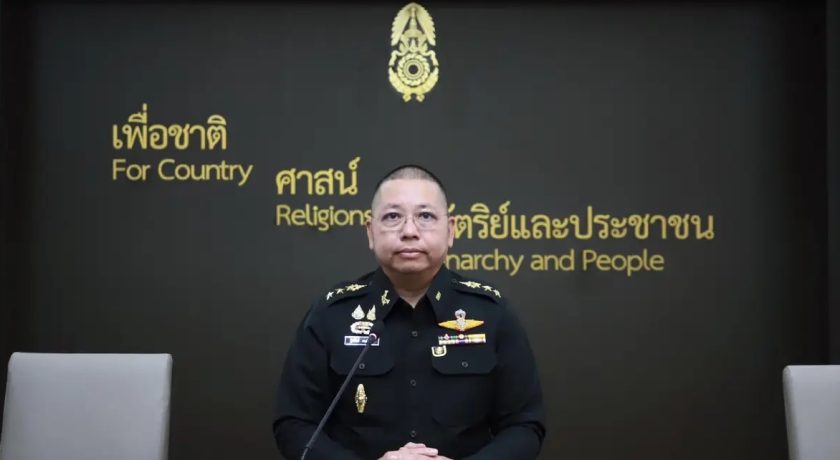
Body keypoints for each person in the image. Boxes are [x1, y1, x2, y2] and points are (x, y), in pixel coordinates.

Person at [273, 165, 545, 460]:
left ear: (451, 230)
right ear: (370, 232)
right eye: (393, 217)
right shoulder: (332, 314)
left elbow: (524, 425)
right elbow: (295, 424)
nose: (409, 231)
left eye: (425, 216)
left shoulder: (492, 313)